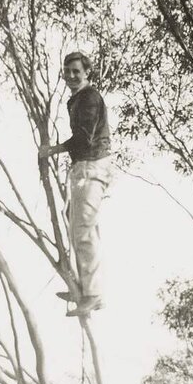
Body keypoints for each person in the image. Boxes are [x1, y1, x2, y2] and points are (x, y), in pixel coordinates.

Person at [38, 51, 113, 317]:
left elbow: (85, 137)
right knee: (77, 228)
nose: (70, 75)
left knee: (83, 229)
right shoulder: (77, 98)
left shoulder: (89, 97)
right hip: (83, 166)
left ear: (86, 72)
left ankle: (92, 294)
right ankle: (84, 289)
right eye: (67, 71)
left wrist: (54, 149)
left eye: (76, 71)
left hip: (92, 166)